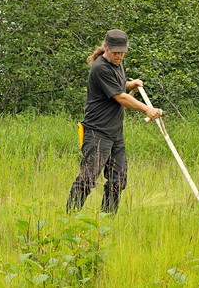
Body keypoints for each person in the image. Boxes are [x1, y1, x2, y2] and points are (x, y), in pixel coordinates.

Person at [66, 29, 162, 214]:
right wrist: (147, 109)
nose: (119, 55)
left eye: (122, 52)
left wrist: (129, 83)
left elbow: (117, 84)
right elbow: (120, 97)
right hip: (97, 133)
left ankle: (107, 221)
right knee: (88, 179)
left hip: (115, 134)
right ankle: (69, 218)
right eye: (115, 52)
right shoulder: (100, 67)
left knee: (118, 180)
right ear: (106, 48)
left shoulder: (116, 64)